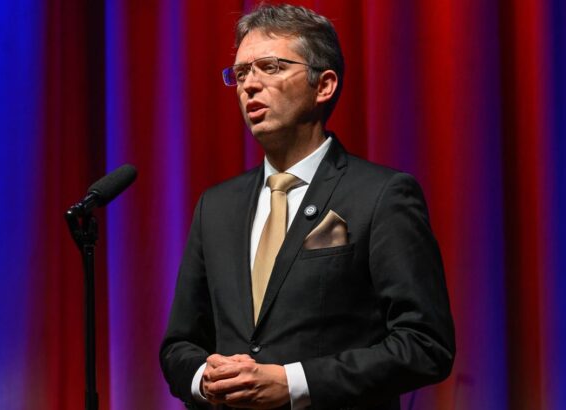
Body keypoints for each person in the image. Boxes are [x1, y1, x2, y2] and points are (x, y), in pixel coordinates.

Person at [160, 4, 455, 410]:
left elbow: (425, 345)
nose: (249, 85)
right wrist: (205, 381)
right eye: (241, 73)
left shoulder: (382, 195)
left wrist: (293, 383)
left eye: (270, 67)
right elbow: (180, 344)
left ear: (324, 85)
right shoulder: (216, 206)